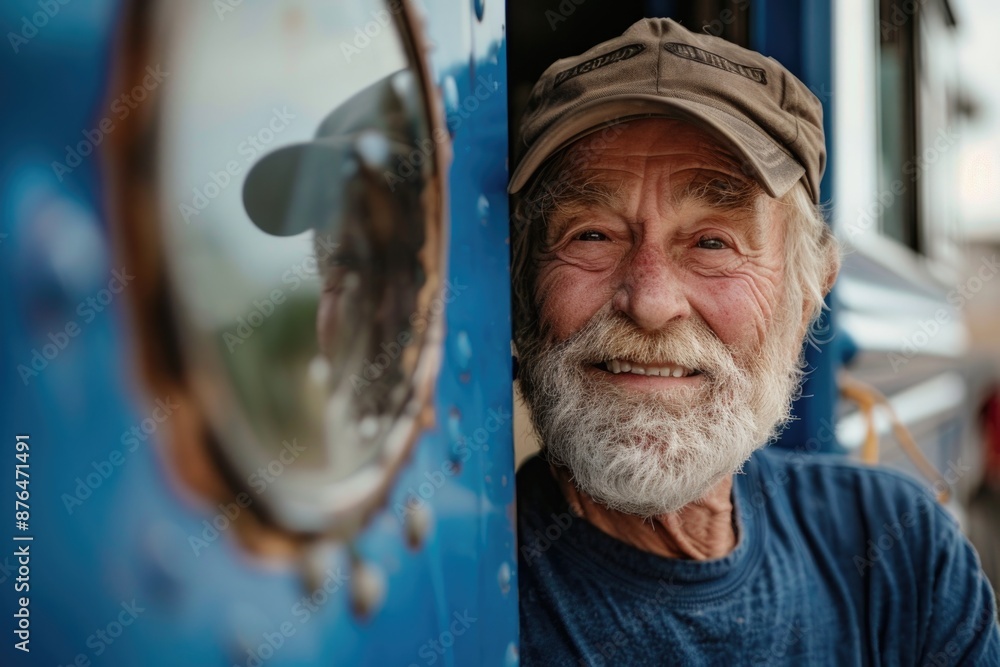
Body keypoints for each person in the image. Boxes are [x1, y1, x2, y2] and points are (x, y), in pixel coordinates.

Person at [509, 17, 1000, 665]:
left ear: (807, 296)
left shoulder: (905, 560)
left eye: (714, 242)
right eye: (591, 234)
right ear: (520, 292)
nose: (651, 302)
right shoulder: (474, 591)